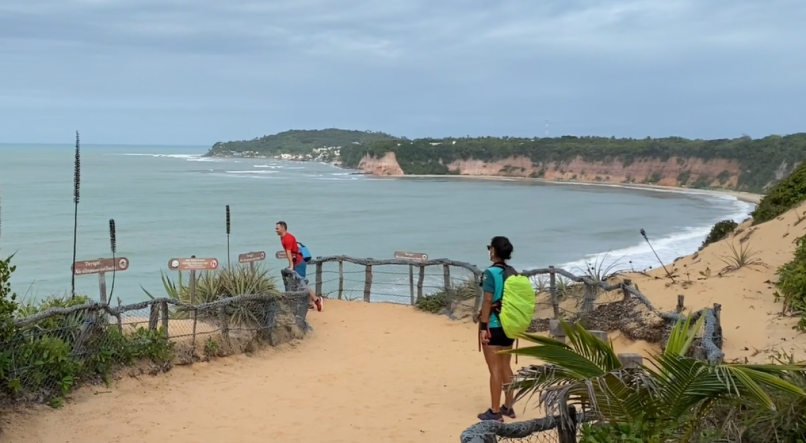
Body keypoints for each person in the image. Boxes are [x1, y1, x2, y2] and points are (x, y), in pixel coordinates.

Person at [477, 236, 517, 421]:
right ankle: (508, 407)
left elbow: (487, 300)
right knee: (505, 366)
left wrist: (484, 327)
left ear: (493, 250)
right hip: (509, 326)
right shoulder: (512, 272)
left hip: (493, 325)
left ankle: (494, 411)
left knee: (494, 369)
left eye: (489, 248)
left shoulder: (489, 273)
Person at [275, 221, 323, 312]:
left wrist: (291, 266)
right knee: (300, 283)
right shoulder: (283, 238)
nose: (275, 230)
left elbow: (289, 253)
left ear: (283, 228)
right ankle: (310, 303)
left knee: (302, 283)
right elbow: (289, 253)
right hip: (296, 261)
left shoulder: (287, 238)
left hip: (299, 262)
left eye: (277, 228)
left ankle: (316, 300)